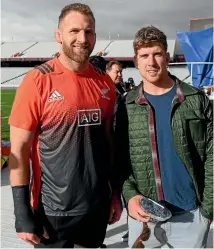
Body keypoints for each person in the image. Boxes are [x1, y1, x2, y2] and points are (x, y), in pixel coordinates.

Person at [8, 3, 123, 248]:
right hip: (53, 212)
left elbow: (108, 145)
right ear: (58, 35)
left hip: (96, 207)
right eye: (74, 31)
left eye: (89, 32)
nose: (83, 38)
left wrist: (114, 195)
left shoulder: (104, 82)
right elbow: (19, 151)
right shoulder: (37, 81)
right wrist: (21, 212)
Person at [116, 25, 213, 248]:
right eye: (144, 55)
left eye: (157, 53)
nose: (151, 62)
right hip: (143, 220)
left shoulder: (195, 100)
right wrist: (130, 197)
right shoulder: (126, 106)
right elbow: (119, 161)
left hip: (190, 218)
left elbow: (212, 155)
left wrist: (207, 210)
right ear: (136, 60)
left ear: (167, 56)